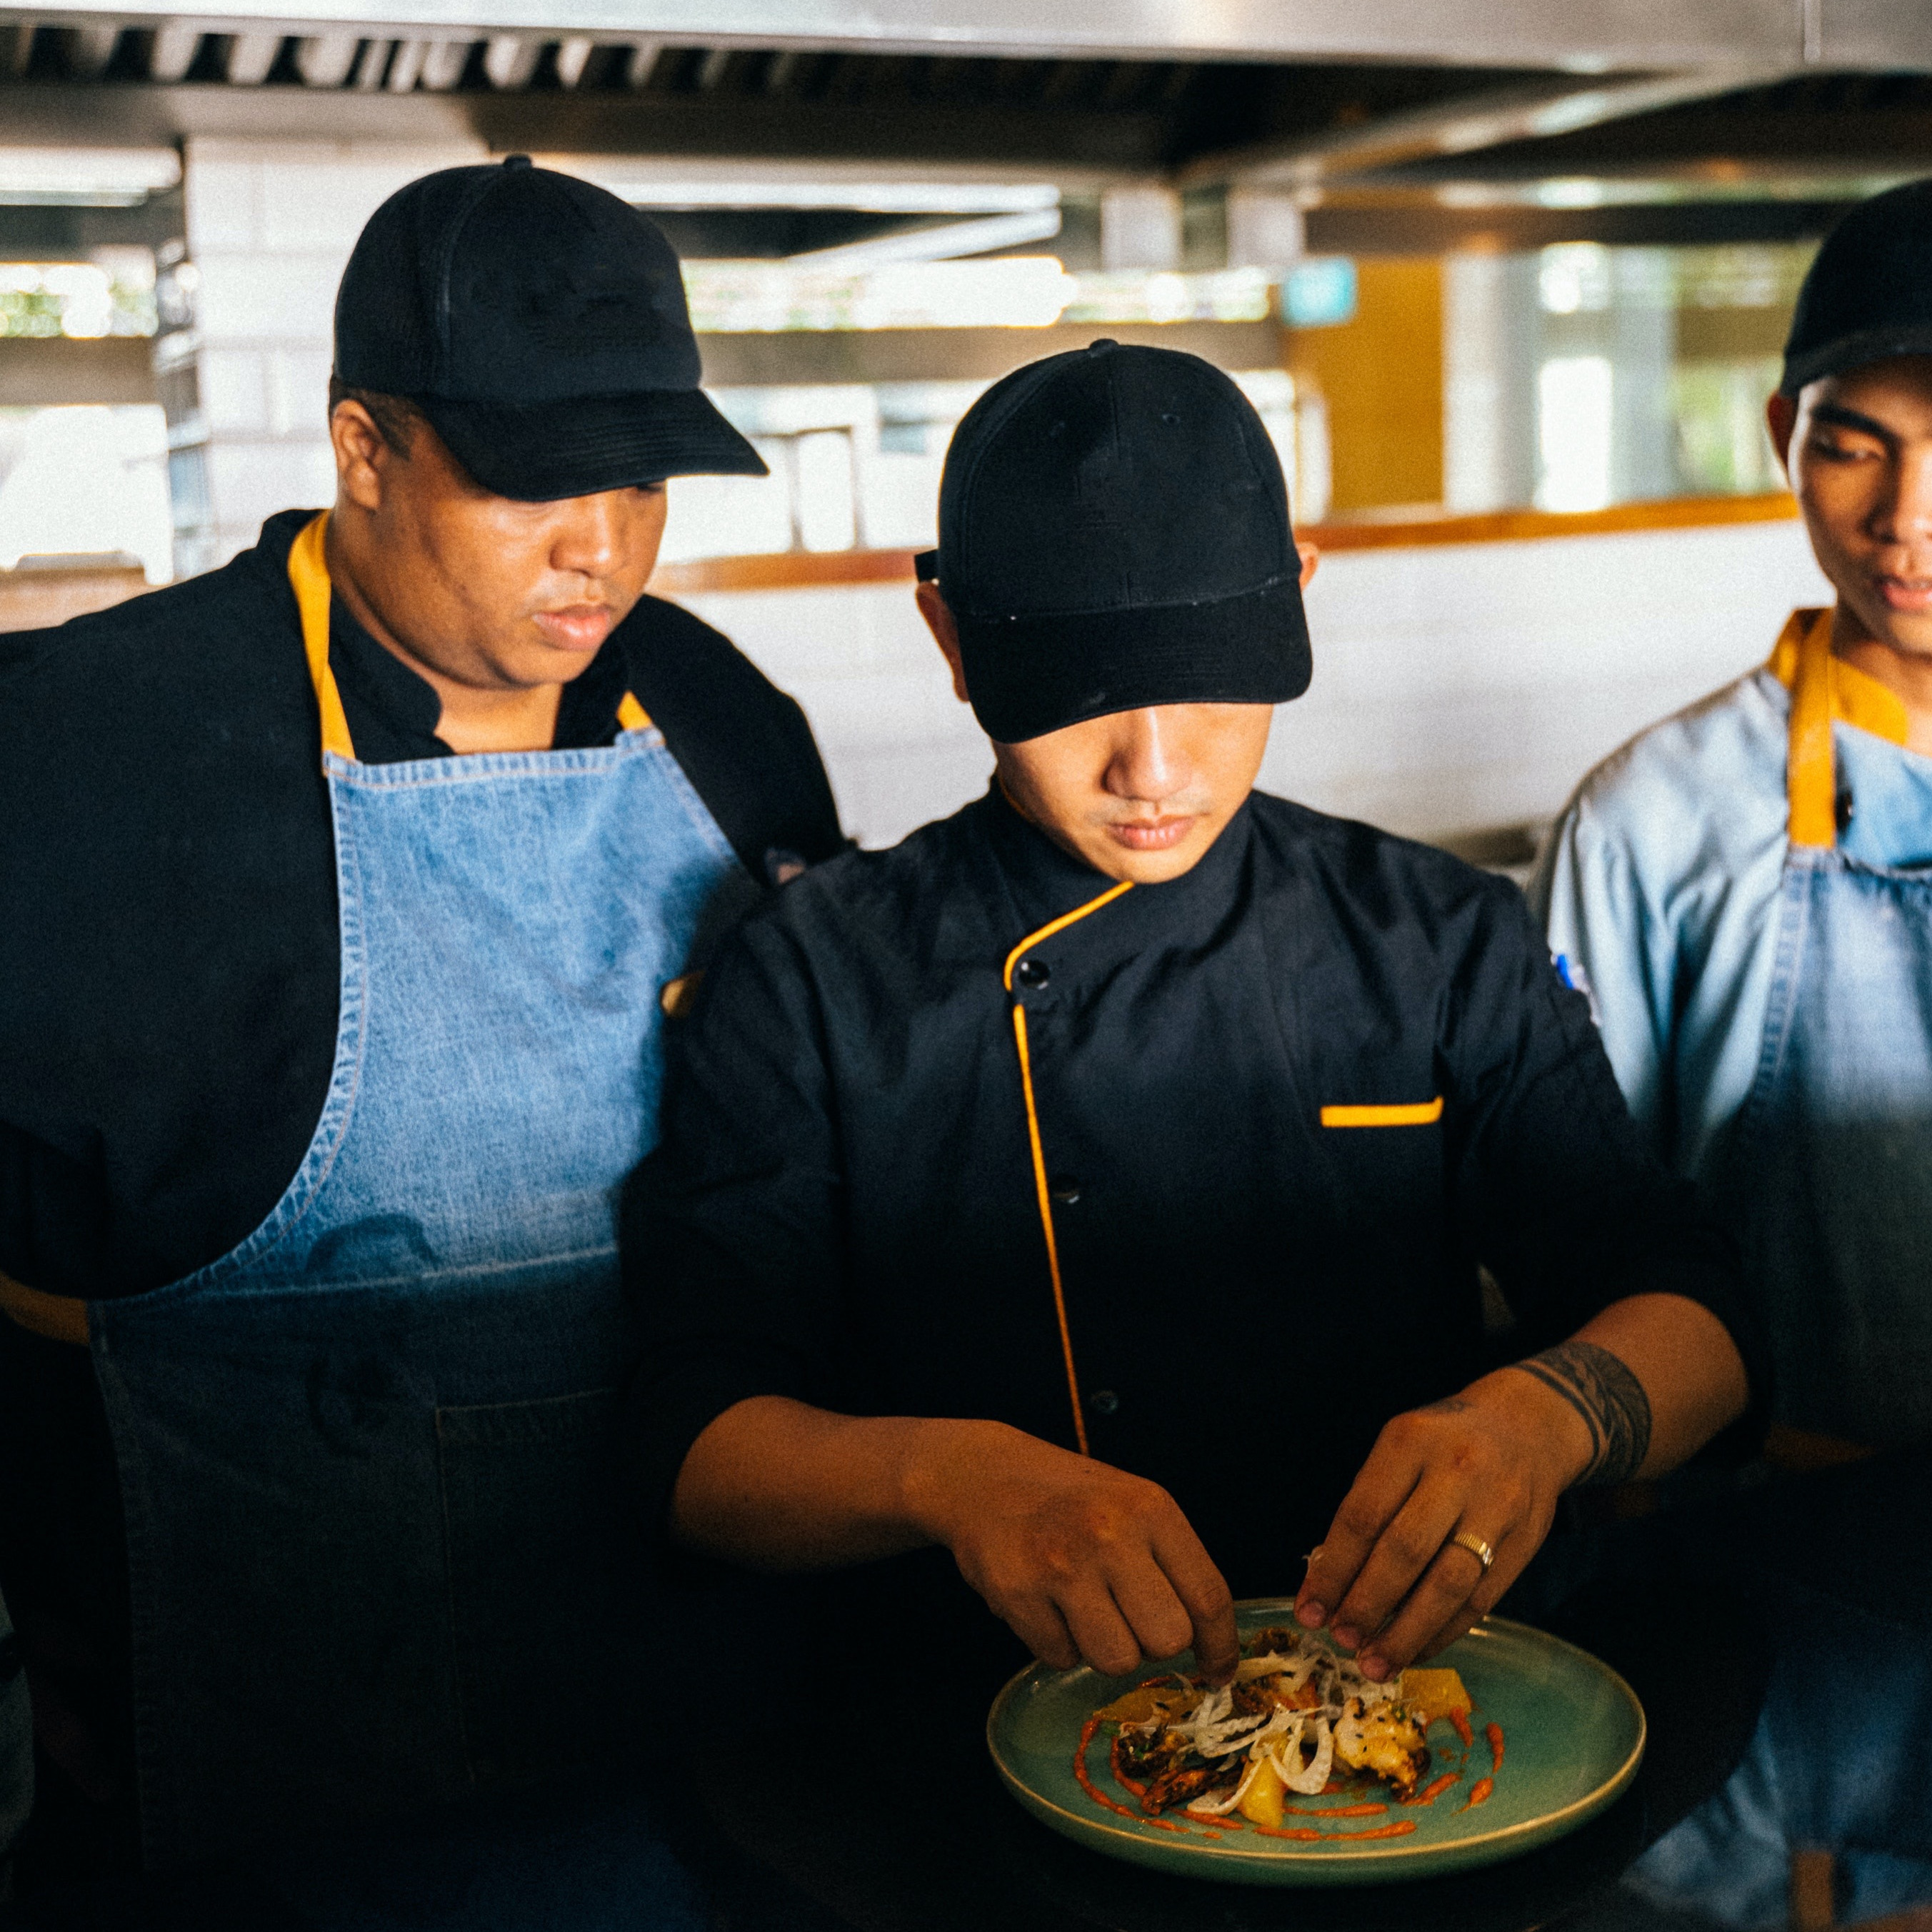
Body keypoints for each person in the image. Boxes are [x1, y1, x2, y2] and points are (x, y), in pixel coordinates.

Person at [624, 341, 1757, 1719]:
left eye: (1210, 688)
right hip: (949, 1746)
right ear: (948, 636)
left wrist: (1546, 1417)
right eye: (1081, 696)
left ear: (1298, 600)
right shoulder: (813, 973)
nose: (1152, 768)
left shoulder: (1435, 937)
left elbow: (1700, 1312)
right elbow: (692, 1445)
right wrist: (949, 1477)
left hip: (1396, 1731)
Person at [0, 156, 842, 1917]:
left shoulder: (717, 719)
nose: (601, 545)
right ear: (364, 452)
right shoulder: (83, 757)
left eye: (638, 478)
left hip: (703, 1736)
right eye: (533, 482)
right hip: (283, 1773)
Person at [1532, 180, 1932, 1926]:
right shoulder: (1650, 821)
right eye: (1855, 448)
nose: (1909, 518)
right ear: (1783, 438)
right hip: (1756, 1600)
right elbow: (1570, 1245)